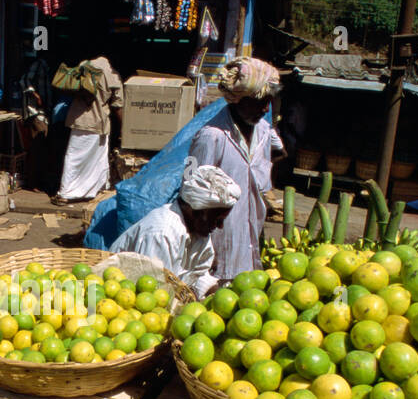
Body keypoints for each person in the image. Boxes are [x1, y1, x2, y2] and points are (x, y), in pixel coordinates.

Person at [188, 57, 284, 283]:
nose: (266, 108)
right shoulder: (211, 136)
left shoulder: (263, 129)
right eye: (260, 101)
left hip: (252, 236)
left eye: (269, 101)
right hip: (220, 245)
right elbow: (191, 195)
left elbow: (279, 151)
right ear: (237, 99)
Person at [109, 163, 241, 295]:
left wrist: (216, 289)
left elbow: (194, 276)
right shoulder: (162, 233)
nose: (220, 226)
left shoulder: (199, 231)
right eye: (218, 220)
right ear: (196, 211)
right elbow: (154, 289)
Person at [55, 55, 123, 204]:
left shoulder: (84, 65)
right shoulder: (113, 75)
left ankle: (66, 193)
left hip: (79, 120)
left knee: (74, 157)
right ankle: (88, 191)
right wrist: (124, 129)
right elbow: (118, 105)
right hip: (99, 122)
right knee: (98, 159)